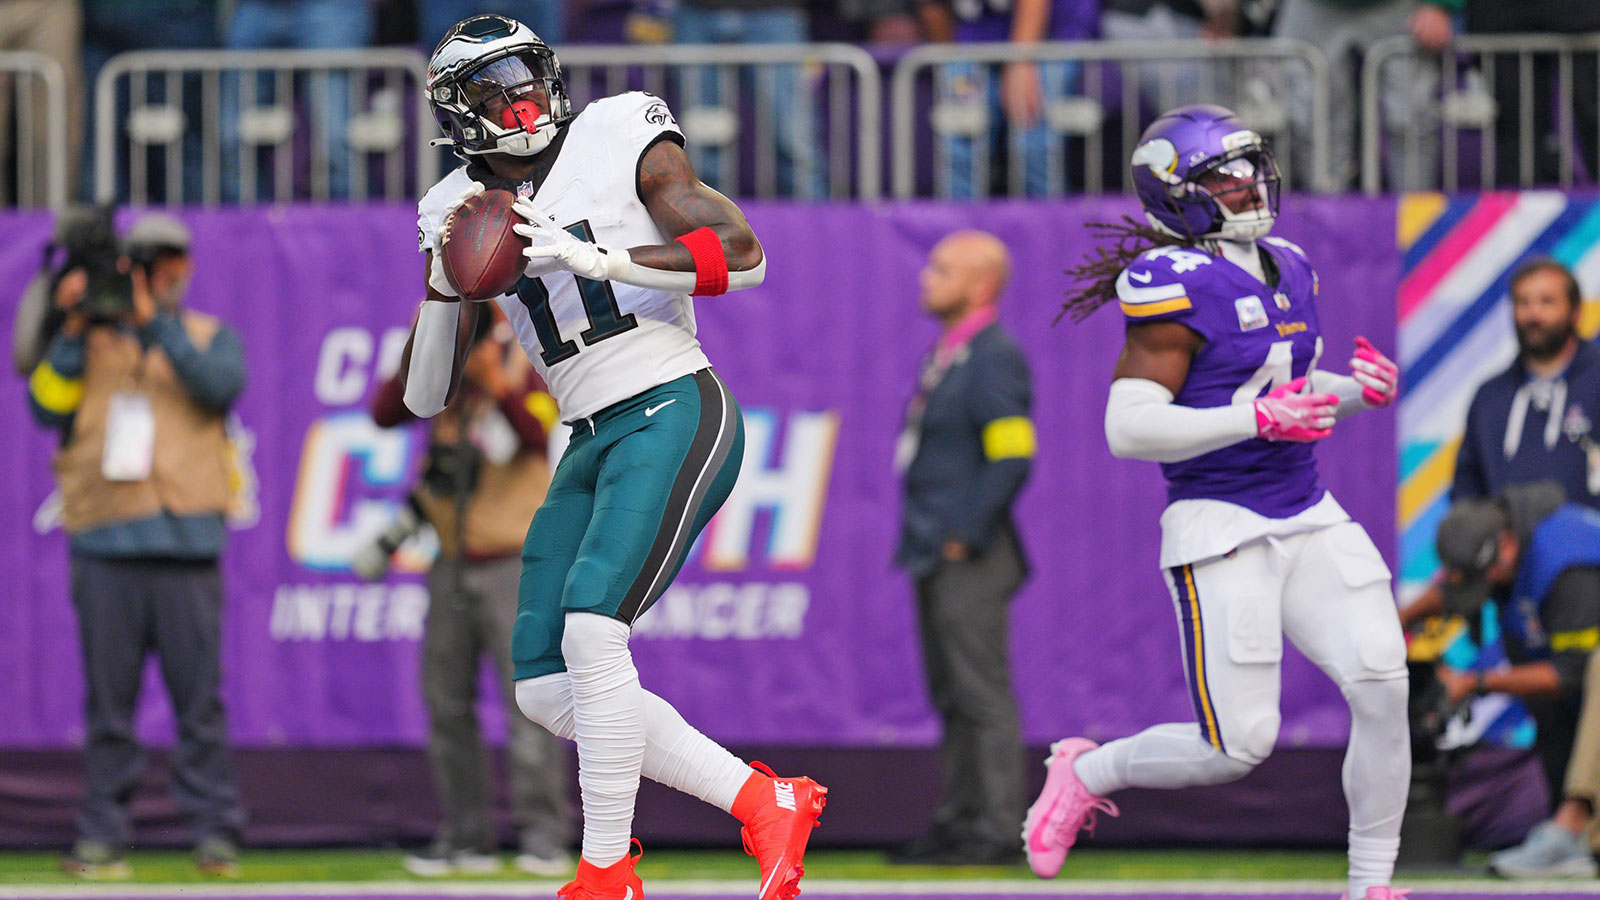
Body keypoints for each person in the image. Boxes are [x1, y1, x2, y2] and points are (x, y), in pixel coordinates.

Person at [404, 16, 825, 900]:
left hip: (674, 397)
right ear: (459, 111)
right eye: (495, 87)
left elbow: (743, 256)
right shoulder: (451, 207)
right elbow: (424, 395)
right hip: (588, 436)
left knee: (595, 629)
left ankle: (604, 870)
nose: (520, 99)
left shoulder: (619, 126)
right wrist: (444, 287)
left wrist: (599, 257)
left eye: (527, 76)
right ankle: (763, 799)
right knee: (546, 689)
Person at [1024, 105, 1409, 900]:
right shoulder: (1172, 285)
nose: (1248, 185)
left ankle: (1372, 886)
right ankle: (1085, 769)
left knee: (1384, 681)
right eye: (1223, 178)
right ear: (1180, 197)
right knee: (1238, 746)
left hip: (1306, 510)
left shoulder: (1291, 263)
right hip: (1220, 523)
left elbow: (1291, 391)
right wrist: (1257, 419)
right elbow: (1128, 428)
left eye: (1250, 168)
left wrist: (1356, 394)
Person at [25, 213, 247, 878]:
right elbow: (43, 407)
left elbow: (219, 387)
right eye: (158, 262)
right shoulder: (84, 342)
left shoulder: (208, 336)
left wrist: (153, 322)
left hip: (186, 546)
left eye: (179, 260)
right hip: (105, 544)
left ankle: (214, 834)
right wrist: (69, 328)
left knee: (199, 705)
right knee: (108, 707)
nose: (172, 272)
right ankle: (101, 835)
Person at [365, 308, 574, 877]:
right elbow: (385, 413)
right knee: (447, 702)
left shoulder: (525, 354)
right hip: (451, 557)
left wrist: (496, 383)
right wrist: (422, 343)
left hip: (516, 561)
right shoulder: (442, 369)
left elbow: (542, 433)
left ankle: (540, 834)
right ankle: (466, 835)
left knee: (527, 701)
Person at [889, 230, 1033, 865]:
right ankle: (960, 820)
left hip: (968, 555)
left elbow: (1012, 458)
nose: (926, 276)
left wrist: (962, 537)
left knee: (980, 694)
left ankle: (998, 830)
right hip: (935, 549)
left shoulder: (994, 356)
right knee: (952, 694)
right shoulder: (950, 354)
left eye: (941, 268)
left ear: (980, 284)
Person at [1404, 483, 1600, 878]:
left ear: (1507, 545)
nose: (1480, 589)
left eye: (1482, 577)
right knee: (1546, 695)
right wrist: (1395, 622)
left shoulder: (1569, 566)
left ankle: (1572, 825)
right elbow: (1453, 590)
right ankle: (1573, 832)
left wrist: (1474, 683)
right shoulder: (1511, 542)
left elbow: (1572, 673)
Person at [1450, 258, 1600, 512]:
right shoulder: (1490, 397)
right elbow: (1467, 486)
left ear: (1576, 312)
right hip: (1509, 549)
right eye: (1523, 302)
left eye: (1546, 302)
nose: (1534, 314)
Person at [1273, 0, 1456, 190]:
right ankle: (1326, 214)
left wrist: (1440, 4)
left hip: (1403, 7)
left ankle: (1419, 216)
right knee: (1311, 121)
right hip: (1312, 7)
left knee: (1412, 121)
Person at [1464, 0, 1600, 187]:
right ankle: (1520, 210)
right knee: (1517, 131)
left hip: (1580, 13)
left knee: (1594, 113)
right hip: (1499, 16)